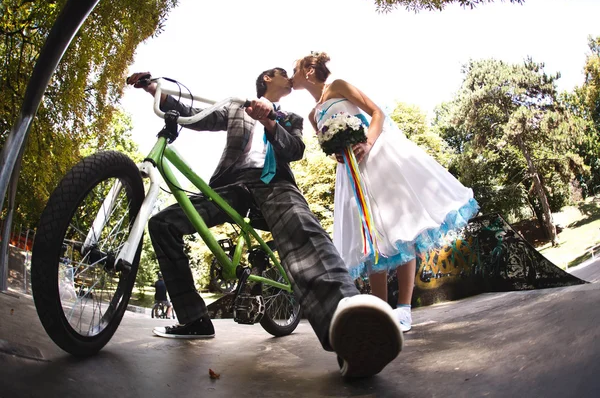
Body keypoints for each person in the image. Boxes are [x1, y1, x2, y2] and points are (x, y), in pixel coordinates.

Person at [126, 68, 403, 378]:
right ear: (268, 78)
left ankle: (350, 320)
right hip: (230, 188)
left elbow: (294, 150)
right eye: (284, 73)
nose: (290, 78)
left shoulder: (292, 117)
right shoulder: (235, 106)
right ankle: (193, 320)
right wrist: (155, 90)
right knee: (163, 225)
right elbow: (195, 115)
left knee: (302, 228)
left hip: (273, 184)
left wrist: (271, 122)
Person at [291, 52, 479, 332]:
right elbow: (329, 149)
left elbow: (377, 112)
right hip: (351, 174)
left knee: (401, 228)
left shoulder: (339, 85)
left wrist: (366, 144)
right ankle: (382, 311)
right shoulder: (312, 115)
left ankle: (404, 309)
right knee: (370, 236)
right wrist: (338, 157)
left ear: (308, 70)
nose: (291, 74)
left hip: (376, 157)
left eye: (293, 68)